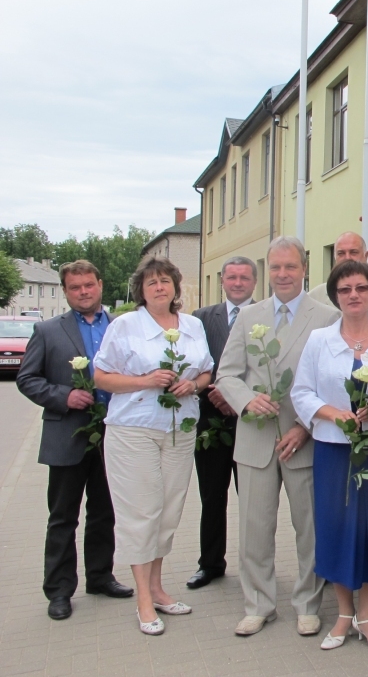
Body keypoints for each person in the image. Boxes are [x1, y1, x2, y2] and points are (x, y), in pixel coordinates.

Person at [216, 237, 340, 637]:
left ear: (304, 268)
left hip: (303, 439)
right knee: (254, 529)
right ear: (267, 270)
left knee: (310, 528)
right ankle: (258, 604)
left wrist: (306, 427)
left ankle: (308, 603)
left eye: (290, 267)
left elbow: (332, 382)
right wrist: (247, 400)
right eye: (276, 267)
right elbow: (227, 374)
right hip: (255, 440)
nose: (283, 275)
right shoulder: (248, 315)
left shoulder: (325, 316)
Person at [93, 256, 214, 636]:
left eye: (165, 281)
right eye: (151, 283)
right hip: (135, 430)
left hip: (180, 429)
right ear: (140, 291)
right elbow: (101, 376)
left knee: (168, 511)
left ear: (176, 287)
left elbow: (208, 370)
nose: (159, 287)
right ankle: (143, 599)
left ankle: (159, 587)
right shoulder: (125, 325)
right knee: (141, 513)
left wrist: (192, 385)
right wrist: (146, 381)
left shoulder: (192, 325)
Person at [293, 260, 368, 653]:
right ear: (335, 296)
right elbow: (302, 392)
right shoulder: (319, 340)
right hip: (333, 449)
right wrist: (333, 413)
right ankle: (343, 614)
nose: (354, 295)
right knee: (337, 528)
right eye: (345, 290)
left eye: (361, 288)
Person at [16, 260, 133, 621]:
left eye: (89, 285)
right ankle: (59, 590)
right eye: (75, 287)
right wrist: (62, 395)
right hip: (67, 434)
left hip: (113, 434)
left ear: (100, 284)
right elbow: (27, 378)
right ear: (66, 291)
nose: (83, 292)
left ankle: (100, 577)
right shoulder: (48, 330)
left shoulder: (122, 326)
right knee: (63, 516)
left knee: (104, 513)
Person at [186, 256, 257, 590]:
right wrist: (216, 392)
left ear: (254, 282)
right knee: (212, 498)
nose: (238, 282)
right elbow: (195, 364)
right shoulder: (200, 320)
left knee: (255, 501)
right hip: (211, 422)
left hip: (253, 424)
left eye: (244, 277)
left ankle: (255, 566)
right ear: (223, 281)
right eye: (232, 277)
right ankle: (210, 563)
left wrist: (239, 398)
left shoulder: (266, 316)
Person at [309, 231, 368, 306]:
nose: (347, 258)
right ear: (335, 258)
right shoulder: (315, 297)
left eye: (353, 252)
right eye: (341, 253)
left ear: (366, 256)